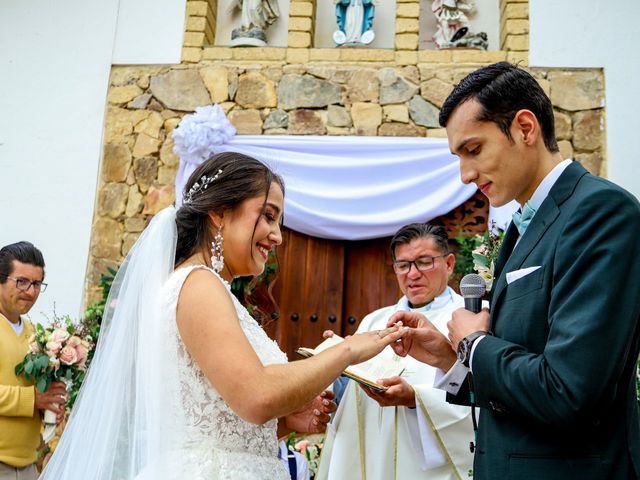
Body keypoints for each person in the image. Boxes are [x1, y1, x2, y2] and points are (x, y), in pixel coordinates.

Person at [40, 152, 407, 479]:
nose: (277, 236)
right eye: (268, 216)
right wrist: (346, 352)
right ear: (219, 213)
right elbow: (257, 395)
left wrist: (283, 423)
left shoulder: (199, 286)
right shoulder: (198, 284)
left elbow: (213, 422)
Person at [388, 62, 640, 479]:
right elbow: (518, 383)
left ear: (525, 128)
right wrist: (453, 358)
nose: (465, 174)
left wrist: (476, 344)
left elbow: (569, 392)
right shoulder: (521, 227)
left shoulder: (601, 212)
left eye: (474, 150)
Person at [317, 223, 474, 480]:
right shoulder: (373, 321)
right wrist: (335, 358)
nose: (412, 274)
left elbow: (484, 399)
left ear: (449, 264)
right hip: (370, 458)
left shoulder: (470, 318)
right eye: (402, 265)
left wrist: (416, 399)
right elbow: (349, 398)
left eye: (424, 262)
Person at [0, 242, 66, 480]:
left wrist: (49, 406)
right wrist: (34, 400)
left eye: (37, 284)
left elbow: (34, 393)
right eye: (21, 282)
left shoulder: (34, 333)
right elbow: (31, 398)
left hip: (28, 466)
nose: (30, 291)